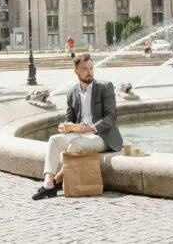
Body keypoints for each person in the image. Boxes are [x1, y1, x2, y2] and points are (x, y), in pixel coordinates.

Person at [31, 52, 123, 200]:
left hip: (102, 136)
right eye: (84, 69)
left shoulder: (105, 87)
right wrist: (65, 127)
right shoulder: (72, 93)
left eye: (91, 68)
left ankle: (57, 180)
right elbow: (70, 120)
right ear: (76, 71)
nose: (89, 72)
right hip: (81, 134)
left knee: (75, 144)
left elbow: (111, 117)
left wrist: (92, 128)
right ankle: (48, 183)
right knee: (54, 140)